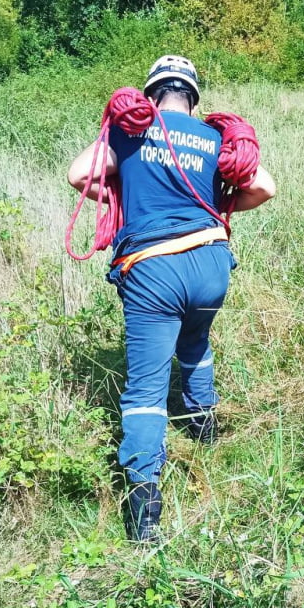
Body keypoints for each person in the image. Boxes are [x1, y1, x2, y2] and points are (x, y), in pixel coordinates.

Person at [67, 55, 276, 543]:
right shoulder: (215, 137)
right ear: (192, 96)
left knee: (144, 388)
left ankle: (144, 513)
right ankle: (205, 430)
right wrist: (222, 205)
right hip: (211, 263)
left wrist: (123, 190)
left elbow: (79, 175)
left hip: (153, 268)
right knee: (197, 341)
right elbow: (265, 186)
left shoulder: (130, 129)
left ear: (152, 92)